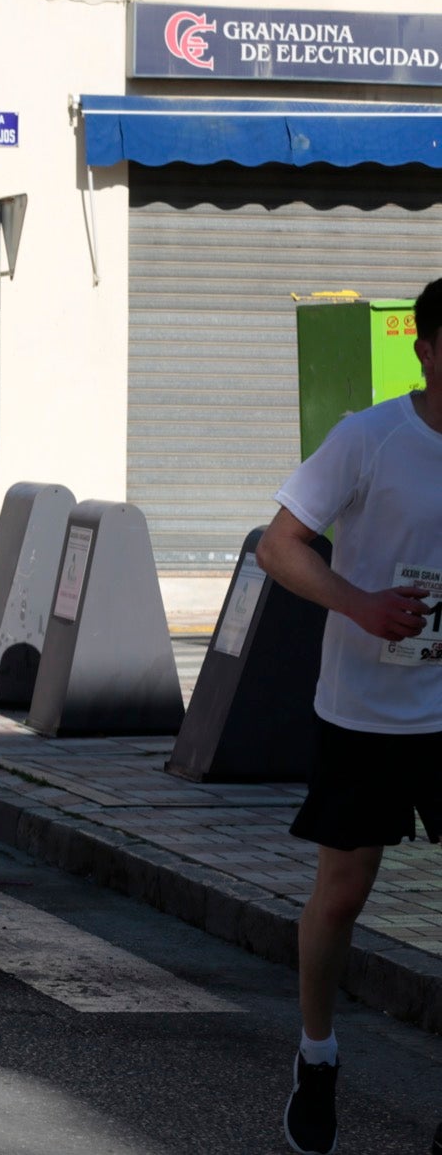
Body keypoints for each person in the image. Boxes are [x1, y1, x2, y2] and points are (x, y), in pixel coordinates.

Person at [257, 276, 442, 1155]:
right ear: (427, 350)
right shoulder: (370, 438)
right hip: (366, 710)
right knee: (344, 892)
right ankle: (317, 1053)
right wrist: (360, 603)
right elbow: (279, 544)